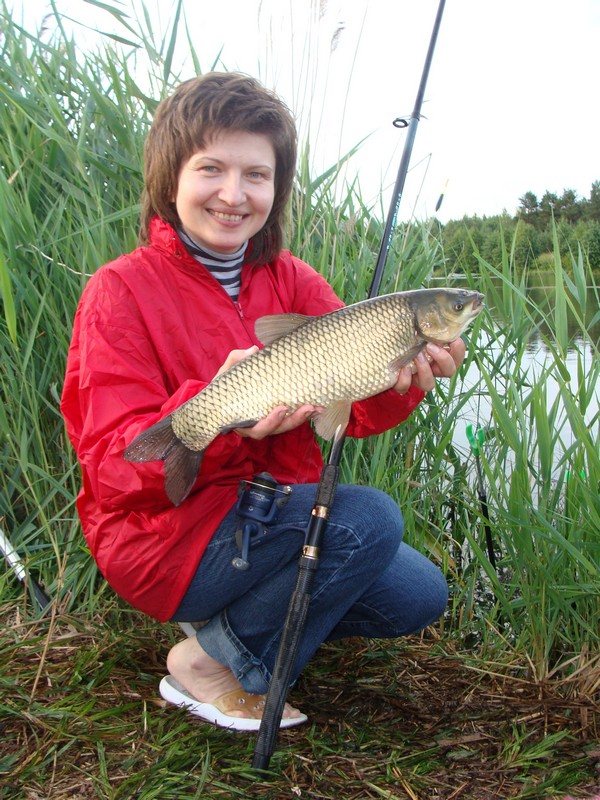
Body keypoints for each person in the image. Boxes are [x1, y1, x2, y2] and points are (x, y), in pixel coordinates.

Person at [61, 72, 465, 731]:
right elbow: (112, 468)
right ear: (171, 179)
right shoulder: (119, 291)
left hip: (272, 517)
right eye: (211, 169)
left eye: (256, 175)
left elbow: (350, 412)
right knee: (368, 519)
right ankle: (210, 663)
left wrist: (406, 380)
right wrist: (218, 416)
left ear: (276, 191)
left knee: (416, 594)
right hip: (169, 534)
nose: (233, 193)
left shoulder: (293, 279)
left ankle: (230, 624)